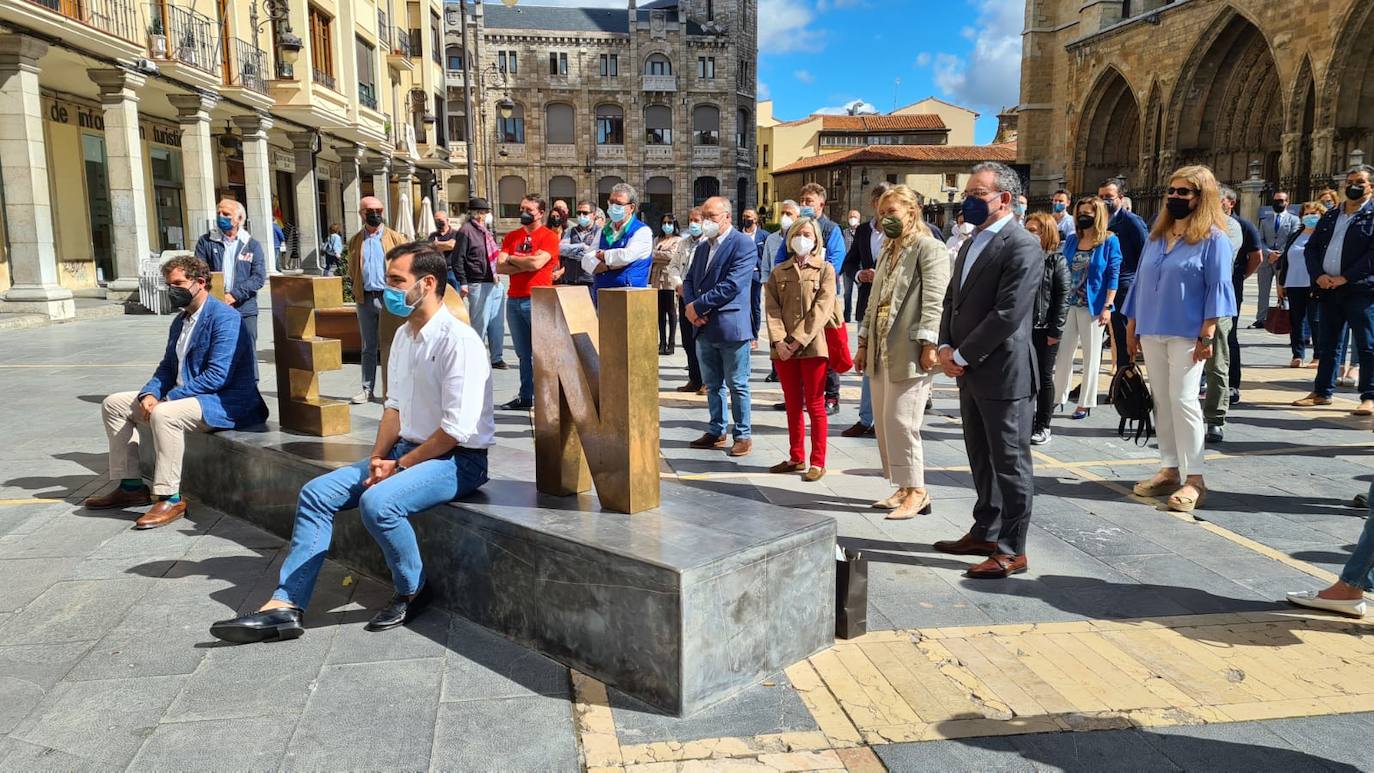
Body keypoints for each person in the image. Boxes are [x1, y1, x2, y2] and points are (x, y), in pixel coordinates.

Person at [209, 242, 493, 643]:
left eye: (397, 280)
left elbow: (455, 431)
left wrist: (399, 466)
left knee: (379, 503)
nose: (387, 288)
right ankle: (286, 605)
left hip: (457, 461)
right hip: (403, 453)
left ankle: (413, 589)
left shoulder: (458, 342)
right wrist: (378, 458)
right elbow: (393, 410)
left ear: (428, 284)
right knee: (316, 493)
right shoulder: (404, 338)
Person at [85, 255, 268, 530]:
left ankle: (170, 497)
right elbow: (168, 368)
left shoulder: (225, 318)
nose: (172, 290)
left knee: (164, 415)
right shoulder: (181, 321)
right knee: (114, 404)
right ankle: (131, 486)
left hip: (226, 400)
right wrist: (150, 393)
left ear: (200, 282)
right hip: (187, 395)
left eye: (178, 283)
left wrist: (167, 398)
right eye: (169, 284)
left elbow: (218, 376)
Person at [934, 162, 1041, 579]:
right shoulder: (971, 241)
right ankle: (986, 529)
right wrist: (945, 344)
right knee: (981, 455)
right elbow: (952, 301)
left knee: (1010, 463)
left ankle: (1013, 548)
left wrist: (962, 355)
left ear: (1005, 199)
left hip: (1002, 372)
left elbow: (1008, 313)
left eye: (979, 193)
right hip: (969, 368)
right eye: (969, 193)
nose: (969, 200)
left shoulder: (1022, 245)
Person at [1124, 165, 1236, 513]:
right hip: (1153, 327)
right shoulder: (1157, 237)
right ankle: (1169, 468)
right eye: (1171, 191)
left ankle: (1196, 478)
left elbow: (1219, 287)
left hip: (1188, 331)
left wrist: (1207, 333)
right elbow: (1141, 282)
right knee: (1162, 400)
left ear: (1201, 197)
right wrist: (1131, 325)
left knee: (1184, 399)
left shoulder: (1214, 239)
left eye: (1183, 192)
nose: (1174, 197)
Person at [857, 186, 950, 518]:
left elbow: (936, 301)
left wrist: (929, 344)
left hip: (910, 347)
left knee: (902, 421)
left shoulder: (929, 248)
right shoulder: (887, 250)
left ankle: (919, 490)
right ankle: (903, 485)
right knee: (884, 422)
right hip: (882, 346)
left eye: (892, 212)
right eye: (882, 213)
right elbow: (874, 299)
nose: (885, 219)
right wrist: (864, 341)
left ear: (912, 212)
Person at [1293, 164, 1374, 415]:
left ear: (1371, 186)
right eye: (1349, 181)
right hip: (1328, 289)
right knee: (1328, 343)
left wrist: (1345, 277)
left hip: (1360, 290)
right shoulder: (1330, 215)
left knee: (1366, 344)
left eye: (1359, 181)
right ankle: (1321, 392)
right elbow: (1312, 248)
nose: (1353, 186)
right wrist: (1319, 275)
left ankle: (1369, 397)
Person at [765, 216, 839, 481]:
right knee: (793, 404)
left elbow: (822, 308)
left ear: (817, 240)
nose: (802, 238)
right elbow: (772, 309)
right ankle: (796, 456)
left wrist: (796, 340)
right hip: (783, 349)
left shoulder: (825, 270)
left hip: (812, 347)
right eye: (798, 233)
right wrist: (779, 341)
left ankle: (817, 461)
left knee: (815, 404)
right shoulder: (779, 272)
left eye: (808, 234)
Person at [684, 196, 756, 457]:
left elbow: (732, 285)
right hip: (703, 327)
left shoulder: (742, 244)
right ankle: (717, 429)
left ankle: (743, 434)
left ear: (727, 216)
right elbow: (690, 279)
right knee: (712, 384)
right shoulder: (703, 247)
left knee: (737, 383)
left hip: (730, 325)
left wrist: (698, 307)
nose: (706, 222)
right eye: (704, 216)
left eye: (711, 217)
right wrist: (691, 307)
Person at [778, 184, 848, 414]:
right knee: (795, 344)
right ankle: (799, 394)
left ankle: (830, 396)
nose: (805, 205)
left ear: (821, 204)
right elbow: (780, 261)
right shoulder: (794, 230)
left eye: (809, 201)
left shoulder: (831, 229)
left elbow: (836, 262)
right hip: (794, 298)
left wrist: (815, 274)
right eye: (802, 200)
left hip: (821, 299)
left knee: (823, 348)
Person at [1052, 196, 1121, 420]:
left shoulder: (1109, 241)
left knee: (1091, 356)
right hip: (1068, 304)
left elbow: (1113, 274)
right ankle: (1057, 397)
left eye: (1088, 213)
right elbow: (1062, 268)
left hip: (1093, 306)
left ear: (1098, 215)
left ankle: (1085, 402)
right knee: (1063, 354)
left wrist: (1108, 306)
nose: (1083, 216)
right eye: (1080, 212)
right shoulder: (1072, 240)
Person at [495, 193, 558, 410]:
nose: (523, 213)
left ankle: (548, 398)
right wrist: (525, 262)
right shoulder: (512, 236)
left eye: (528, 210)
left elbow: (537, 263)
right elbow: (500, 267)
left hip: (538, 299)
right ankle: (525, 396)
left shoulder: (549, 236)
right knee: (523, 354)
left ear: (541, 213)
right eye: (522, 208)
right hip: (514, 299)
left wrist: (514, 259)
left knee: (543, 353)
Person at [839, 183, 892, 437]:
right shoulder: (862, 232)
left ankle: (889, 419)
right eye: (883, 202)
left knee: (892, 365)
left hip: (896, 309)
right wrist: (861, 274)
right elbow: (848, 264)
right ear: (874, 204)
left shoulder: (902, 233)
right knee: (867, 363)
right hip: (868, 304)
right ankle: (866, 418)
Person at [347, 196, 407, 404]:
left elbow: (407, 265)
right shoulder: (356, 240)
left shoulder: (395, 238)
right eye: (370, 210)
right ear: (361, 213)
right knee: (368, 346)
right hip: (365, 298)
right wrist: (355, 287)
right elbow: (352, 267)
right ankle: (367, 389)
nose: (375, 214)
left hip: (388, 297)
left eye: (378, 210)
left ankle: (394, 391)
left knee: (392, 345)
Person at [195, 199, 267, 361]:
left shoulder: (251, 245)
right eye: (219, 213)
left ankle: (250, 385)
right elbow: (199, 272)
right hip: (214, 307)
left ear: (239, 219)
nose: (221, 217)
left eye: (226, 214)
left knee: (246, 353)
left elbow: (258, 277)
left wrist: (234, 295)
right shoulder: (206, 242)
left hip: (245, 308)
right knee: (216, 353)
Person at [1217, 186, 1264, 417]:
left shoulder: (1243, 226)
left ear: (1230, 203)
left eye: (1219, 200)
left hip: (1231, 286)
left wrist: (1242, 275)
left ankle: (1233, 383)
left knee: (1229, 335)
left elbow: (1257, 257)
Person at [1024, 213, 1070, 445]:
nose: (1029, 234)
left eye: (1034, 230)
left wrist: (1056, 331)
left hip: (1045, 329)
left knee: (1043, 377)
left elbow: (1063, 298)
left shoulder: (1056, 261)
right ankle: (1025, 421)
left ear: (1046, 233)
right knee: (1024, 378)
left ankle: (1043, 425)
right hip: (1022, 329)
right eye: (1027, 229)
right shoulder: (1020, 258)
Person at [1098, 180, 1150, 369]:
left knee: (1121, 335)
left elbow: (1145, 253)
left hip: (1123, 285)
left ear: (1120, 198)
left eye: (1109, 197)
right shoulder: (1100, 220)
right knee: (1102, 336)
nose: (1104, 201)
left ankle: (1123, 376)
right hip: (1102, 285)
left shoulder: (1131, 221)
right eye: (1101, 197)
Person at [455, 198, 507, 370]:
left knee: (496, 322)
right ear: (476, 213)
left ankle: (496, 357)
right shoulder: (466, 231)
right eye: (483, 212)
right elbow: (458, 259)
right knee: (479, 322)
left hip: (494, 280)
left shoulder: (485, 231)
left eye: (486, 212)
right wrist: (463, 282)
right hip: (476, 281)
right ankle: (474, 356)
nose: (485, 215)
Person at [1276, 201, 1325, 368]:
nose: (1310, 217)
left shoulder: (1323, 236)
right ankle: (1297, 354)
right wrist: (1281, 284)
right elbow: (1285, 260)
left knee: (1315, 320)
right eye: (1307, 213)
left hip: (1314, 284)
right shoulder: (1296, 235)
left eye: (1314, 213)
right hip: (1293, 283)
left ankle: (1318, 355)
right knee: (1296, 320)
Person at [590, 183, 653, 302]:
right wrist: (610, 265)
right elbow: (586, 259)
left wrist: (604, 256)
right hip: (602, 295)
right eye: (611, 202)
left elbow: (626, 256)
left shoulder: (642, 231)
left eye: (618, 204)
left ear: (631, 208)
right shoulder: (603, 231)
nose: (613, 206)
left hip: (630, 298)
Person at [668, 208, 705, 393]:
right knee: (688, 340)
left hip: (701, 299)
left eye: (696, 220)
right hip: (683, 296)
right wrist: (678, 284)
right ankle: (695, 379)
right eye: (690, 220)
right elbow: (672, 266)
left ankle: (707, 380)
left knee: (703, 341)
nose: (693, 224)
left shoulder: (708, 243)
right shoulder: (683, 243)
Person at [761, 201, 799, 384]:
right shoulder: (772, 239)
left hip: (793, 293)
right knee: (774, 330)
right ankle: (775, 369)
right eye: (783, 212)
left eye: (789, 213)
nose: (785, 217)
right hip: (775, 290)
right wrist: (765, 285)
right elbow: (766, 264)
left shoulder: (800, 240)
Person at [1255, 190, 1300, 328]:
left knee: (1283, 292)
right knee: (1263, 291)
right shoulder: (1265, 221)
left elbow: (1293, 239)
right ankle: (1261, 319)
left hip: (1283, 261)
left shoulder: (1294, 220)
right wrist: (1269, 253)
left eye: (1281, 200)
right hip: (1266, 261)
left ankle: (1284, 319)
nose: (1278, 203)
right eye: (1275, 200)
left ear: (1287, 202)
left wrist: (1279, 253)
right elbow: (1260, 239)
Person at [652, 214, 682, 355]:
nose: (667, 225)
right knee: (660, 312)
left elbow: (671, 256)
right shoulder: (657, 239)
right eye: (664, 222)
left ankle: (671, 342)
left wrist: (657, 254)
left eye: (669, 222)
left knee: (671, 311)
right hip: (657, 277)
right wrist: (659, 254)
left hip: (670, 278)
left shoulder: (678, 240)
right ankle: (662, 341)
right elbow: (650, 256)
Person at [557, 200, 599, 293]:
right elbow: (560, 249)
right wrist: (582, 247)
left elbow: (596, 253)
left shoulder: (599, 232)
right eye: (578, 213)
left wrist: (571, 252)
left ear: (594, 215)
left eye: (585, 213)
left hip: (590, 281)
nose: (581, 215)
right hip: (570, 280)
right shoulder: (571, 231)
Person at [741, 208, 768, 339]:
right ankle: (745, 331)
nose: (746, 219)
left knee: (754, 304)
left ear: (755, 219)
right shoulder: (738, 235)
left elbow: (767, 256)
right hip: (741, 275)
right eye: (744, 216)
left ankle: (755, 333)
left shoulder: (764, 236)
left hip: (756, 275)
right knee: (743, 304)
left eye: (749, 217)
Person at [430, 209, 461, 293]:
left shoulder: (455, 233)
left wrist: (436, 244)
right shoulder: (433, 235)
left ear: (447, 220)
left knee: (455, 297)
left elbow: (452, 245)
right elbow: (429, 248)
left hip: (452, 272)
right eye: (436, 220)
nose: (438, 222)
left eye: (440, 220)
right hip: (438, 272)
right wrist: (444, 244)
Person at [841, 209, 862, 322]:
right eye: (850, 216)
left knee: (861, 292)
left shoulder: (863, 233)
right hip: (847, 268)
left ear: (859, 219)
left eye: (854, 216)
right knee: (847, 293)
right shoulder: (844, 233)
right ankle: (847, 316)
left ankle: (859, 314)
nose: (852, 218)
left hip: (860, 267)